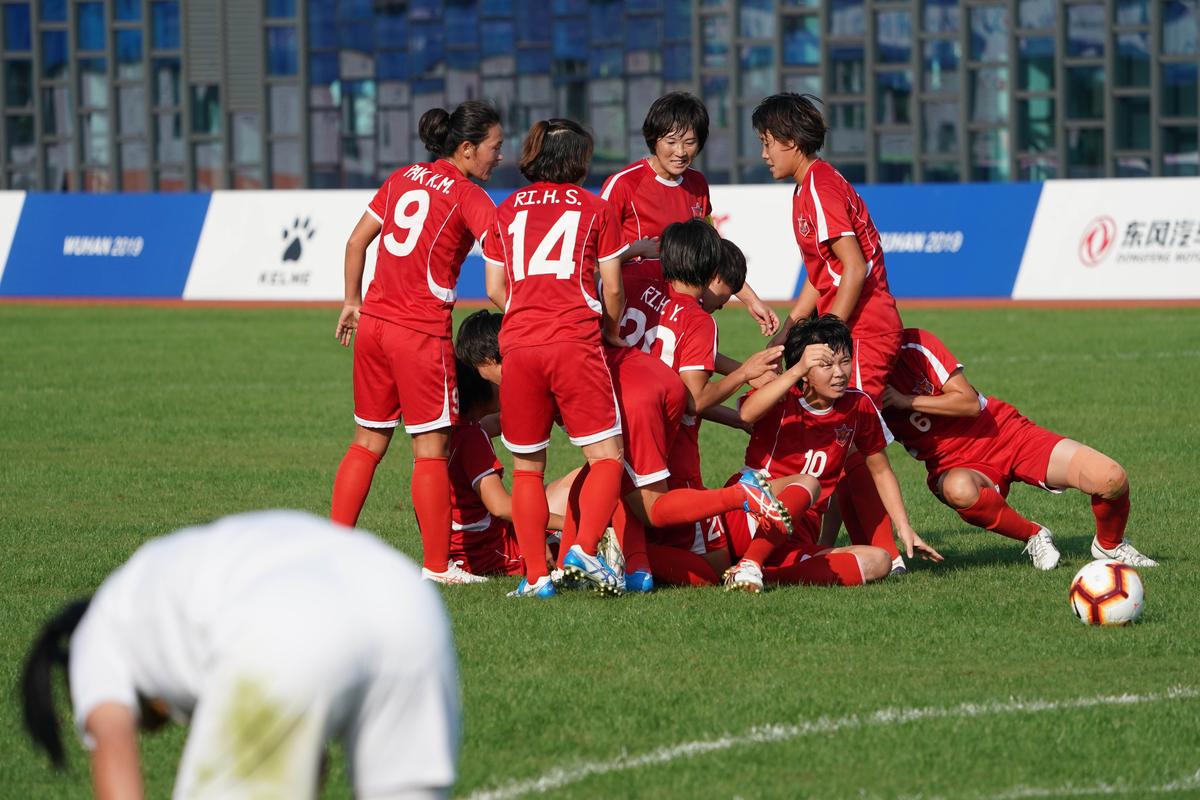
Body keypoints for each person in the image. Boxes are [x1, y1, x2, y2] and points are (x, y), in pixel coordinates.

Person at [20, 510, 460, 799]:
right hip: (410, 605)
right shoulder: (163, 589)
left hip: (283, 629)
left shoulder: (99, 629)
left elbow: (115, 757)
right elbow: (310, 754)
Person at [330, 100, 503, 585]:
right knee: (431, 449)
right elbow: (503, 258)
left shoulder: (403, 176)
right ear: (467, 149)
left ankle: (329, 552)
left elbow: (355, 242)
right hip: (419, 333)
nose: (499, 157)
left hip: (375, 326)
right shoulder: (471, 197)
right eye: (495, 147)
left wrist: (351, 301)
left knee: (367, 443)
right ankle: (436, 566)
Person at [752, 92, 907, 569]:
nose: (763, 154)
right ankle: (834, 541)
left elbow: (855, 269)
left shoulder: (818, 185)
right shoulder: (806, 189)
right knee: (841, 436)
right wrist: (786, 338)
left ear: (792, 142)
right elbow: (820, 280)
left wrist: (827, 342)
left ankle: (884, 549)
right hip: (850, 327)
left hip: (866, 327)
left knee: (846, 433)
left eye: (768, 143)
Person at [479, 118, 628, 598]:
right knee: (607, 457)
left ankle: (535, 578)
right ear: (579, 160)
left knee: (527, 469)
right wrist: (606, 329)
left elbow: (495, 289)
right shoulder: (596, 208)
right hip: (574, 342)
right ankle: (583, 549)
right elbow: (614, 288)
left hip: (519, 345)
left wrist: (529, 315)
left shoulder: (506, 210)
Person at [880, 327, 1157, 569]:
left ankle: (1110, 545)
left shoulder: (914, 343)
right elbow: (862, 461)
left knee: (1110, 477)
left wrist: (907, 401)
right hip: (955, 465)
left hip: (1004, 432)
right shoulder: (858, 384)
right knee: (958, 489)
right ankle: (1035, 535)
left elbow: (969, 404)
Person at [725, 315, 943, 592]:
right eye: (825, 365)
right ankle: (751, 561)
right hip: (752, 514)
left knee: (879, 562)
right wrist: (795, 370)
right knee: (805, 482)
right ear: (804, 370)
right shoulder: (784, 395)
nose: (839, 372)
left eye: (844, 361)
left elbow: (881, 469)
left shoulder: (858, 405)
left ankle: (765, 573)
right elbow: (746, 413)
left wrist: (904, 528)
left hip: (799, 531)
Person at [620, 220, 782, 574]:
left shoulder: (640, 284)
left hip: (619, 423)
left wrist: (738, 417)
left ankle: (613, 548)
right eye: (729, 292)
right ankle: (624, 559)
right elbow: (694, 401)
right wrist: (744, 373)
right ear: (712, 273)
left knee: (616, 494)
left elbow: (685, 364)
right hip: (671, 443)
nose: (725, 304)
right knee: (712, 568)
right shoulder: (698, 321)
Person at [600, 91, 779, 336]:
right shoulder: (623, 184)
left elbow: (711, 251)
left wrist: (750, 299)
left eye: (690, 142)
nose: (681, 152)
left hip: (679, 311)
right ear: (654, 140)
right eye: (671, 141)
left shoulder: (697, 184)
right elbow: (592, 255)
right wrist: (636, 251)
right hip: (633, 313)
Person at [446, 353, 578, 576]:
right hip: (490, 551)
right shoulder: (472, 438)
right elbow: (500, 506)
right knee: (583, 538)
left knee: (575, 481)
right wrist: (567, 525)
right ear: (481, 387)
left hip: (472, 545)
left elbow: (502, 420)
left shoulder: (455, 429)